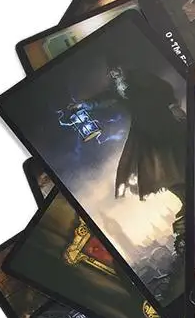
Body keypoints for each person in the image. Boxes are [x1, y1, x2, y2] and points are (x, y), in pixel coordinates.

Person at [76, 60, 188, 251]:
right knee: (157, 171)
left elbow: (163, 87)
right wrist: (84, 105)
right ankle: (184, 199)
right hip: (144, 130)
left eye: (115, 69)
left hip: (163, 122)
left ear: (122, 67)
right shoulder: (116, 88)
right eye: (110, 72)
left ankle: (188, 195)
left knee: (178, 160)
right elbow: (104, 98)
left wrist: (172, 106)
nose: (114, 73)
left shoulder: (138, 76)